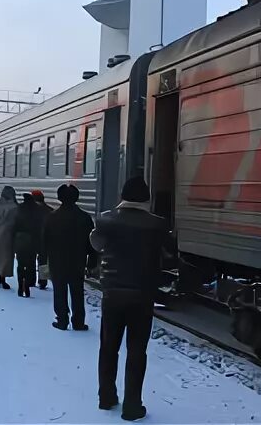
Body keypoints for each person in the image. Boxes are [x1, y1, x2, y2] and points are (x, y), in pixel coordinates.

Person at [90, 177, 169, 421]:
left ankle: (106, 396)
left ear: (122, 196)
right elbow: (167, 257)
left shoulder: (106, 219)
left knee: (108, 347)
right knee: (137, 351)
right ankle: (132, 406)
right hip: (142, 295)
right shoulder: (158, 224)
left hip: (113, 293)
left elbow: (95, 244)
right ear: (146, 199)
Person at [43, 184, 94, 331]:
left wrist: (44, 256)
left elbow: (45, 240)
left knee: (59, 290)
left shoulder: (52, 218)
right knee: (77, 290)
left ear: (59, 198)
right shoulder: (85, 218)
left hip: (57, 260)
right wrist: (91, 260)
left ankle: (62, 320)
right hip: (77, 260)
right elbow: (91, 242)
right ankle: (78, 322)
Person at [12, 193, 44, 298]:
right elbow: (40, 226)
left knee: (21, 264)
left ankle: (20, 285)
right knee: (30, 263)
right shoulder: (37, 210)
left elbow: (14, 224)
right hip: (33, 240)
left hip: (20, 239)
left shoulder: (19, 208)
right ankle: (28, 285)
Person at [31, 189, 52, 290]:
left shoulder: (30, 210)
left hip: (33, 238)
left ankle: (31, 279)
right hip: (45, 240)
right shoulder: (49, 210)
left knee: (31, 259)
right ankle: (43, 281)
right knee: (43, 260)